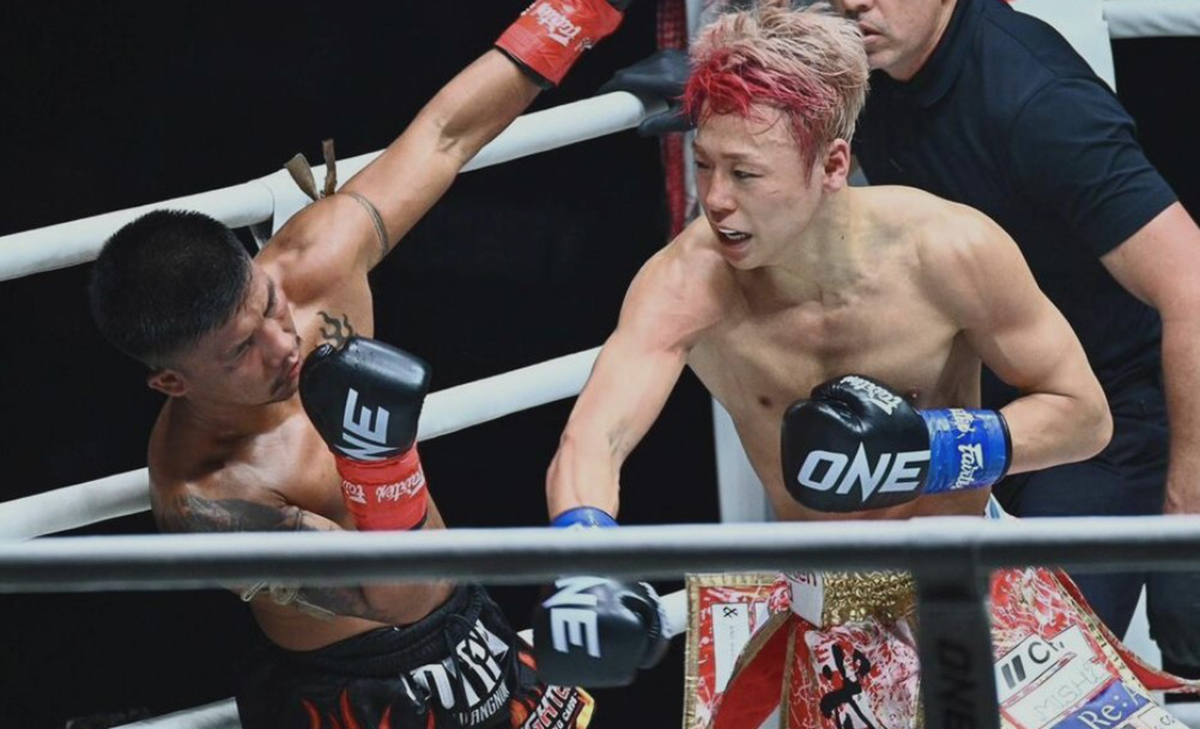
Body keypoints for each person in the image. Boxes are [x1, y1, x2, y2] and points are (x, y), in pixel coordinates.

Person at [528, 2, 1114, 689]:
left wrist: (927, 450)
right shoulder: (687, 283)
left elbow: (1085, 416)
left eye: (745, 173)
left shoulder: (947, 249)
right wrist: (585, 561)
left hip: (972, 573)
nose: (715, 199)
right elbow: (593, 439)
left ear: (832, 164)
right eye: (704, 163)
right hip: (828, 609)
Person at [87, 2, 638, 726]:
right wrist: (378, 462)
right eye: (242, 350)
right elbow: (400, 597)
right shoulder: (207, 497)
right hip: (356, 691)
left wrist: (577, 15)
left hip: (470, 622)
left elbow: (444, 136)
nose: (284, 344)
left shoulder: (313, 266)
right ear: (172, 381)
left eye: (269, 305)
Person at [835, 0, 1200, 682]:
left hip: (1105, 421)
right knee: (896, 673)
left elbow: (1192, 283)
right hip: (974, 416)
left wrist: (1188, 521)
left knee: (1041, 681)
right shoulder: (861, 58)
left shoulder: (1037, 100)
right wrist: (718, 80)